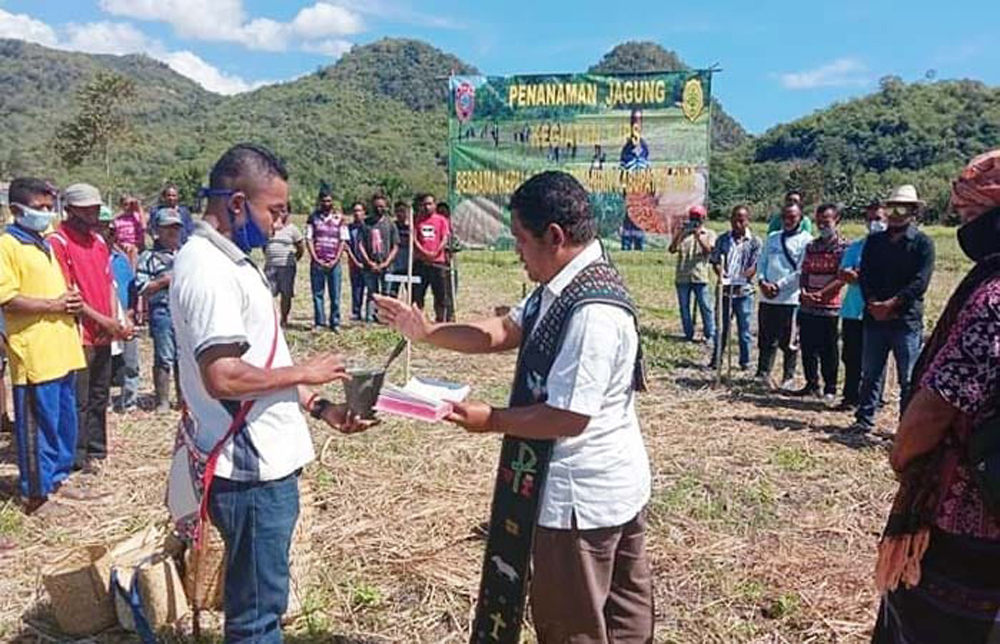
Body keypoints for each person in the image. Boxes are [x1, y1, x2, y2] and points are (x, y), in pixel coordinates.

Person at [375, 171, 653, 643]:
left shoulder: (592, 313)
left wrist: (493, 420)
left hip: (579, 502)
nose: (518, 251)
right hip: (606, 490)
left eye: (522, 240)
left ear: (555, 236)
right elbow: (504, 330)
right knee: (623, 616)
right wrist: (426, 332)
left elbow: (569, 416)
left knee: (575, 626)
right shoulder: (564, 285)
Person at [171, 143, 373, 643]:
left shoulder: (232, 262)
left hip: (263, 460)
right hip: (250, 475)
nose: (280, 224)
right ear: (237, 204)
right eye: (275, 211)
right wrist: (309, 369)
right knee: (258, 614)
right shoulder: (209, 271)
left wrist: (319, 406)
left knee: (261, 599)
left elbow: (265, 363)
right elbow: (224, 376)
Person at [870, 150, 1000, 643]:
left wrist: (905, 459)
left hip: (969, 518)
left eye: (972, 217)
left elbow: (935, 409)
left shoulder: (992, 299)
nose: (965, 229)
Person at [0, 178, 87, 516]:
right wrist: (53, 305)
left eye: (50, 208)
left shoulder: (44, 242)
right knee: (39, 426)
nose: (47, 214)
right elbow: (7, 298)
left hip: (61, 350)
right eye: (39, 209)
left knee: (64, 422)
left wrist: (69, 303)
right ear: (16, 210)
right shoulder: (7, 246)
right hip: (34, 353)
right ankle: (36, 494)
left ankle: (58, 481)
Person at [49, 183, 132, 473]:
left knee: (100, 394)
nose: (92, 213)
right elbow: (70, 295)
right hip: (78, 333)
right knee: (79, 399)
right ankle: (77, 456)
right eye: (86, 209)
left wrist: (116, 320)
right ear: (69, 210)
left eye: (95, 208)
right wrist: (103, 320)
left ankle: (97, 448)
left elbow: (108, 283)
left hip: (103, 332)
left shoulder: (98, 241)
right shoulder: (58, 242)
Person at [851, 185, 935, 435]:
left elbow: (920, 282)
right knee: (870, 373)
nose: (895, 213)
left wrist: (892, 304)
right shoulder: (875, 242)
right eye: (891, 208)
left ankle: (906, 428)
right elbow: (865, 276)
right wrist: (873, 303)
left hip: (905, 321)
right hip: (875, 318)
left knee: (908, 379)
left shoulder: (923, 243)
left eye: (901, 208)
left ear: (913, 211)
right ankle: (864, 420)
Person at [794, 204, 848, 405]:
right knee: (808, 347)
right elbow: (805, 272)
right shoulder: (812, 246)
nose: (822, 225)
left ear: (837, 220)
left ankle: (830, 388)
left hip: (829, 307)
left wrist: (821, 294)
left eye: (826, 221)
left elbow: (841, 277)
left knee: (829, 349)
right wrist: (804, 292)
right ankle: (811, 384)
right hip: (808, 305)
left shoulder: (843, 247)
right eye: (819, 222)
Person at [755, 203, 811, 390]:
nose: (788, 221)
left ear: (800, 219)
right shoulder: (772, 238)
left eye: (792, 217)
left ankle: (788, 377)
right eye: (785, 217)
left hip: (790, 299)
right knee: (766, 338)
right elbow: (761, 262)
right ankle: (763, 373)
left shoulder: (806, 241)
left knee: (789, 341)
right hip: (767, 297)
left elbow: (801, 271)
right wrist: (762, 281)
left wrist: (778, 286)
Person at [838, 201, 887, 409]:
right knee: (851, 356)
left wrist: (861, 276)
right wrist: (854, 276)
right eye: (870, 219)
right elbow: (843, 273)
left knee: (875, 359)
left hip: (877, 310)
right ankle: (850, 397)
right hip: (852, 310)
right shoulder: (856, 247)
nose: (873, 223)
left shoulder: (891, 249)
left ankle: (874, 398)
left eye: (878, 218)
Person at [136, 211, 184, 411]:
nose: (173, 232)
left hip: (184, 314)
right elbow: (141, 288)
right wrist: (163, 281)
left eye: (176, 227)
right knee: (164, 356)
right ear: (157, 231)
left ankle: (184, 399)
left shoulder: (185, 254)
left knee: (184, 357)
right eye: (168, 227)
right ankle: (162, 400)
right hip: (162, 312)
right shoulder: (148, 257)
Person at [710, 205, 760, 371]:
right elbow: (715, 260)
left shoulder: (754, 242)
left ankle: (745, 362)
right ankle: (716, 360)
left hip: (744, 291)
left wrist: (741, 278)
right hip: (724, 291)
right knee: (721, 327)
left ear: (747, 221)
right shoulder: (723, 239)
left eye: (741, 220)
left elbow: (754, 265)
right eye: (734, 219)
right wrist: (721, 274)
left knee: (744, 329)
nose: (737, 224)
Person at [101, 206, 139, 413]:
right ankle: (103, 400)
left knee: (130, 362)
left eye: (110, 230)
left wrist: (131, 312)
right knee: (104, 364)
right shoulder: (92, 260)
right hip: (101, 320)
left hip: (125, 317)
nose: (107, 234)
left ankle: (129, 401)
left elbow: (131, 288)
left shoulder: (121, 261)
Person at [669, 204, 716, 344]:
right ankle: (688, 334)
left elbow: (708, 251)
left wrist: (698, 236)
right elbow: (672, 249)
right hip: (682, 276)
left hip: (700, 276)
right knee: (684, 307)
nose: (695, 220)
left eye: (698, 217)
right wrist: (680, 234)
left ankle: (710, 334)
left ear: (704, 218)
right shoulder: (683, 233)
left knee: (706, 306)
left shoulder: (709, 234)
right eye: (693, 217)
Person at [306, 193, 348, 330]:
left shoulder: (340, 218)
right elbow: (309, 239)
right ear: (320, 202)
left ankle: (335, 322)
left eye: (329, 201)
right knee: (318, 294)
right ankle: (320, 322)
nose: (326, 203)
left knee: (335, 295)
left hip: (334, 263)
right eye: (324, 201)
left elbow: (343, 240)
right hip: (317, 263)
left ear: (332, 202)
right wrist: (315, 258)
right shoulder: (313, 218)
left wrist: (336, 259)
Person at [358, 195, 399, 323]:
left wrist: (386, 263)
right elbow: (360, 244)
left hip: (387, 266)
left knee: (386, 293)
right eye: (376, 206)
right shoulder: (365, 223)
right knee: (372, 293)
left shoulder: (390, 224)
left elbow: (395, 246)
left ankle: (384, 318)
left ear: (386, 207)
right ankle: (370, 318)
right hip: (369, 266)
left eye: (381, 206)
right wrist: (369, 262)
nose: (379, 208)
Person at [412, 194, 453, 322]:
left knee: (440, 294)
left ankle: (441, 319)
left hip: (438, 263)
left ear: (435, 205)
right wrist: (424, 252)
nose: (427, 207)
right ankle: (418, 320)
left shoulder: (441, 220)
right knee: (417, 294)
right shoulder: (417, 220)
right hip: (421, 263)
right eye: (424, 204)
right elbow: (414, 239)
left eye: (429, 204)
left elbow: (444, 238)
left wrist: (435, 252)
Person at [264, 209, 304, 328]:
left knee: (286, 294)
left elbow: (300, 247)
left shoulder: (292, 229)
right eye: (279, 211)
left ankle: (284, 319)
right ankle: (270, 319)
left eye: (284, 211)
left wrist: (295, 258)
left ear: (288, 213)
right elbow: (264, 245)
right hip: (270, 266)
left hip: (287, 266)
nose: (281, 214)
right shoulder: (269, 227)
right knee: (268, 294)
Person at [346, 202, 367, 322]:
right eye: (355, 211)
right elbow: (347, 247)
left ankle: (371, 314)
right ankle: (356, 312)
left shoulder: (369, 227)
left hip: (368, 264)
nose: (357, 213)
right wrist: (355, 261)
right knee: (356, 289)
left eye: (359, 211)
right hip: (354, 264)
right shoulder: (349, 229)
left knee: (370, 290)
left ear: (364, 212)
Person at [112, 195, 146, 267]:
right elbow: (113, 238)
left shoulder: (137, 216)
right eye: (125, 204)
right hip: (122, 247)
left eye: (131, 205)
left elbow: (144, 226)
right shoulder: (118, 219)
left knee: (133, 252)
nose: (129, 207)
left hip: (137, 247)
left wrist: (138, 207)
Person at [388, 200, 412, 298]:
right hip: (395, 266)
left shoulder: (411, 228)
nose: (400, 214)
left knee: (411, 294)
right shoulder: (392, 227)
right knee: (392, 293)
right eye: (398, 211)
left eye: (403, 211)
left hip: (408, 265)